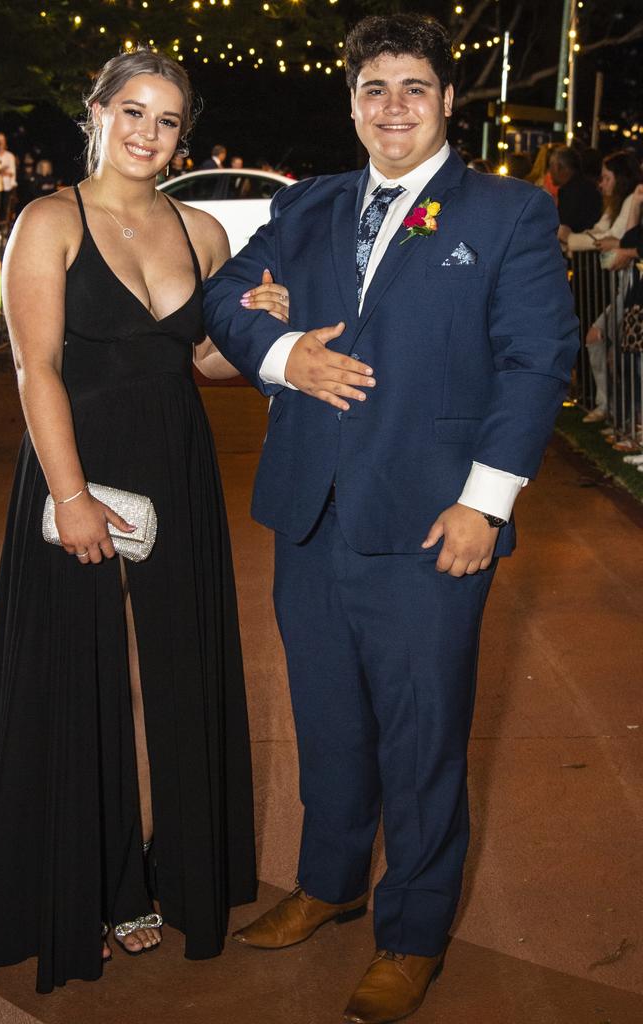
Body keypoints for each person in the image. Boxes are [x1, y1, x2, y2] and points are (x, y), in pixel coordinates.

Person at [203, 13, 578, 1023]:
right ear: (353, 103)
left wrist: (484, 505)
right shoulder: (314, 204)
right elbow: (230, 293)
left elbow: (537, 362)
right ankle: (329, 884)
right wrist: (286, 358)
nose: (394, 106)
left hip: (431, 524)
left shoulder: (506, 213)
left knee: (422, 740)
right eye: (375, 88)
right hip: (310, 512)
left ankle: (410, 933)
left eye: (414, 86)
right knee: (328, 719)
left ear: (449, 100)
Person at [0, 48, 287, 994]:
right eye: (131, 111)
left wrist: (258, 323)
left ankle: (180, 875)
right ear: (94, 113)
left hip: (176, 468)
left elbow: (206, 362)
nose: (147, 132)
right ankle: (78, 889)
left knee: (186, 663)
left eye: (167, 119)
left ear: (185, 133)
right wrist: (68, 494)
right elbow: (36, 367)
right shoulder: (48, 221)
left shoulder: (203, 231)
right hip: (76, 466)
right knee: (75, 675)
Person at [562, 151, 642, 423]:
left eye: (607, 178)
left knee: (619, 350)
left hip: (631, 289)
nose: (601, 184)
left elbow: (617, 242)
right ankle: (614, 411)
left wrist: (577, 240)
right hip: (624, 289)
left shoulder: (631, 199)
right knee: (608, 346)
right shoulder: (617, 204)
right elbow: (601, 235)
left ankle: (622, 416)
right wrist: (591, 242)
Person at [550, 145, 602, 233]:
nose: (550, 171)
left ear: (561, 168)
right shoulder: (585, 187)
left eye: (551, 166)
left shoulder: (572, 193)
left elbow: (565, 228)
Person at [0, 132, 17, 223]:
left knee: (6, 208)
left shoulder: (10, 155)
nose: (1, 142)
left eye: (3, 140)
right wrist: (4, 171)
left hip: (7, 186)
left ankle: (4, 228)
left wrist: (0, 172)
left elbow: (12, 172)